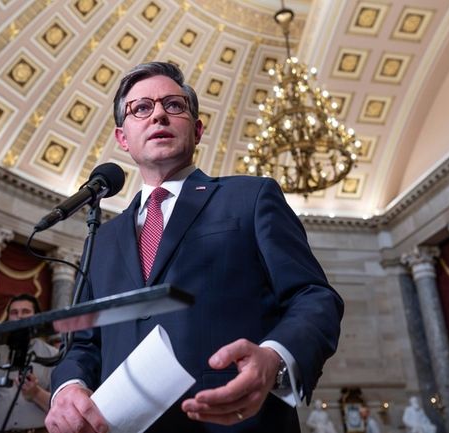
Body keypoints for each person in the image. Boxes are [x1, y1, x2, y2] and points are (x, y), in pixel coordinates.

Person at [46, 61, 343, 433]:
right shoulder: (101, 239)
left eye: (173, 106)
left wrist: (275, 358)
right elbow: (84, 343)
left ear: (197, 129)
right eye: (141, 108)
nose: (158, 115)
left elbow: (314, 296)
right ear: (123, 138)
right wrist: (68, 388)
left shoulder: (249, 198)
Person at [0, 294, 58, 433]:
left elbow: (60, 407)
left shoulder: (53, 355)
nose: (20, 317)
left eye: (26, 312)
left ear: (37, 316)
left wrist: (36, 393)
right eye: (14, 313)